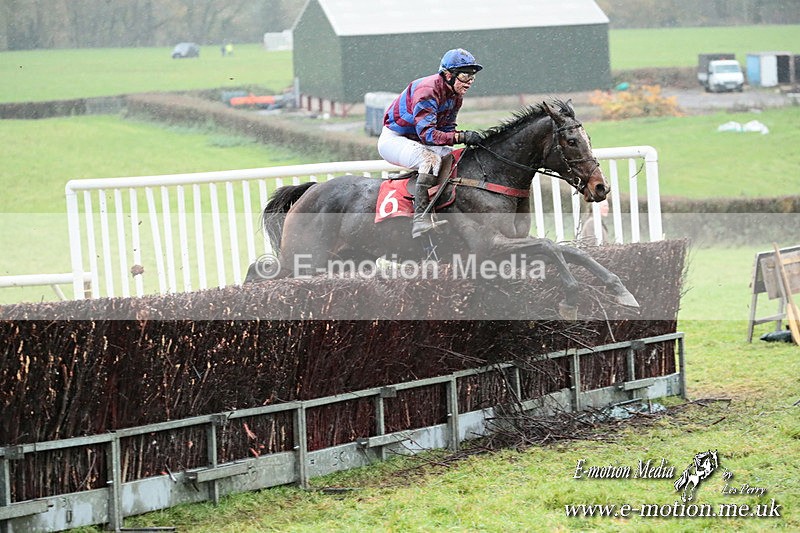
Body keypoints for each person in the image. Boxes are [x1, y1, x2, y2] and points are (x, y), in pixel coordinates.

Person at [378, 48, 484, 238]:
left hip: (418, 139)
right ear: (448, 74)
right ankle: (420, 219)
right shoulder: (427, 90)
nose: (470, 81)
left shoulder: (455, 95)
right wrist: (461, 137)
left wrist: (461, 138)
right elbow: (428, 135)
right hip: (395, 139)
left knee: (450, 160)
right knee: (430, 160)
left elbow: (447, 128)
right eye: (465, 75)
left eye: (472, 75)